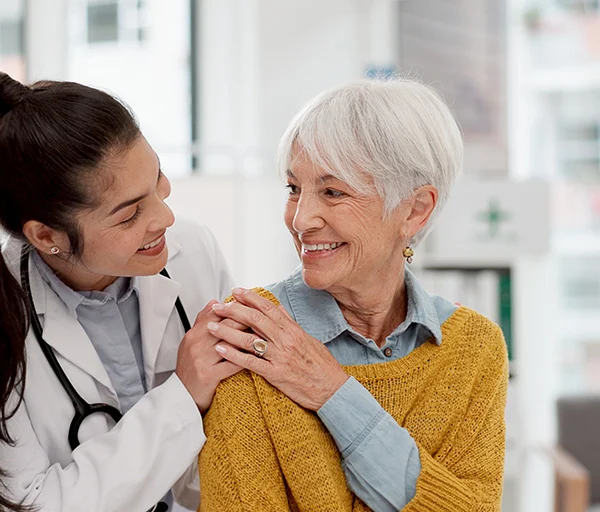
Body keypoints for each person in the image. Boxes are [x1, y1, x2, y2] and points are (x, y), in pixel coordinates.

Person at [0, 71, 243, 512]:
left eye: (158, 180)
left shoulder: (192, 253)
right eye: (129, 215)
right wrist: (182, 398)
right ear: (48, 235)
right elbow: (27, 504)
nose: (164, 217)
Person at [198, 79, 508, 511]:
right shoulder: (250, 335)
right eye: (293, 189)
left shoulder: (473, 348)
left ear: (415, 210)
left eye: (332, 192)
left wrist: (332, 391)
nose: (301, 219)